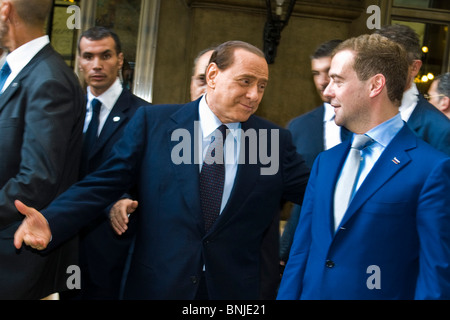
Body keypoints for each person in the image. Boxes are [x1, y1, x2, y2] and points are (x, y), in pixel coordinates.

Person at [13, 40, 310, 300]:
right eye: (245, 81)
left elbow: (317, 192)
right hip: (159, 285)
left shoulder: (270, 141)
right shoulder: (153, 124)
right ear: (213, 75)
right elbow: (103, 184)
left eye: (261, 86)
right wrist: (52, 220)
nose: (254, 95)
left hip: (234, 293)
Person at [277, 33, 450, 300]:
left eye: (337, 80)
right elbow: (302, 253)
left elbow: (434, 275)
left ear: (375, 85)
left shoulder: (432, 169)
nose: (327, 91)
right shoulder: (326, 162)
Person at [0, 0, 85, 299]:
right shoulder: (14, 72)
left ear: (5, 9)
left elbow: (36, 180)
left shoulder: (48, 79)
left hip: (16, 266)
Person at [73, 26, 151, 300]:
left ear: (120, 60)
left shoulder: (145, 114)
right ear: (80, 61)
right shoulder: (66, 110)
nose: (96, 65)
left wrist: (126, 197)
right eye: (88, 56)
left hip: (115, 244)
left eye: (105, 56)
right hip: (65, 242)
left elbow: (152, 177)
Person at [279, 39, 351, 269]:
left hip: (352, 245)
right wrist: (282, 250)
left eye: (328, 72)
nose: (322, 81)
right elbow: (282, 194)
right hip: (305, 249)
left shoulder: (366, 125)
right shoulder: (298, 127)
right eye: (315, 73)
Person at [375, 24, 450, 156]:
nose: (379, 73)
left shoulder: (440, 130)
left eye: (390, 64)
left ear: (414, 68)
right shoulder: (359, 113)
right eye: (375, 63)